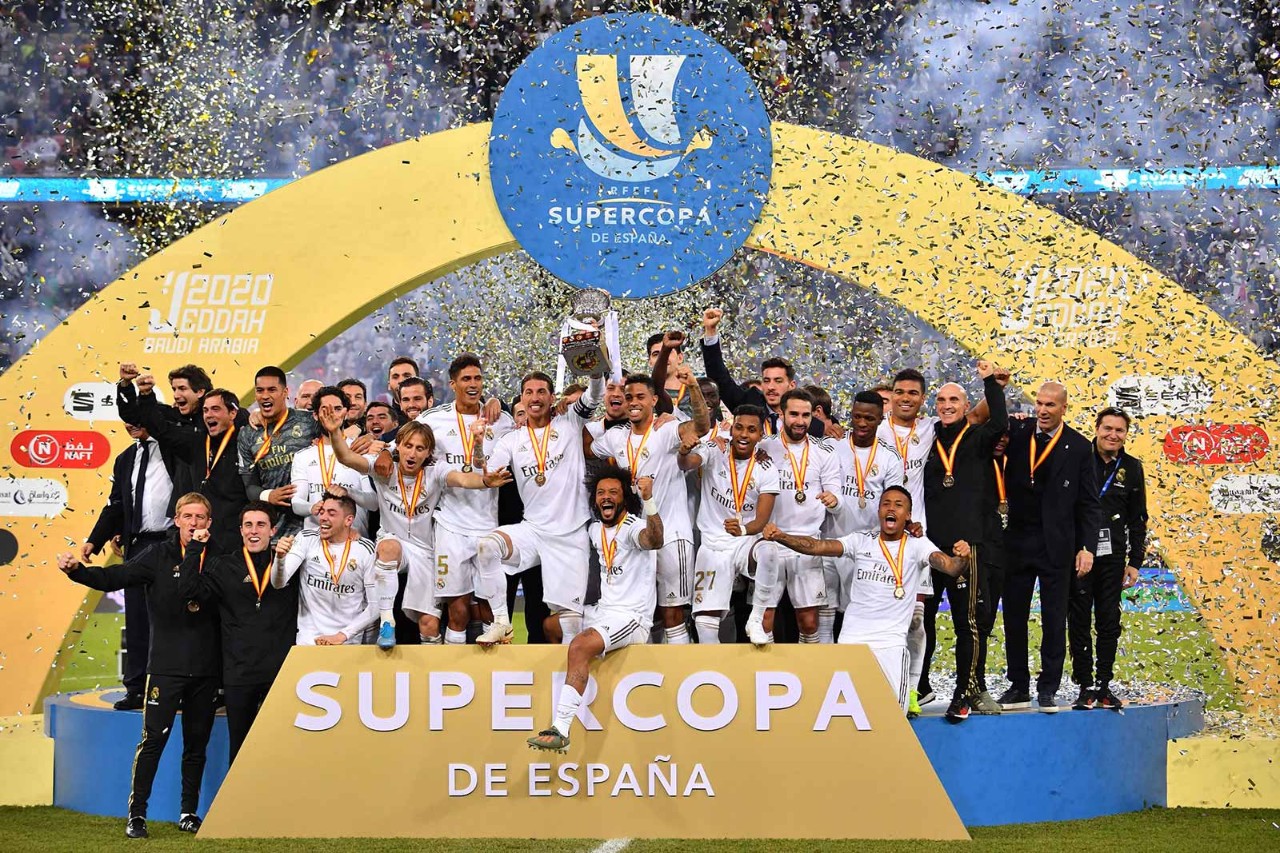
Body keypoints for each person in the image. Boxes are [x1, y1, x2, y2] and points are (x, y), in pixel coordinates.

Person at [56, 493, 220, 838]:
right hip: (165, 666)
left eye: (200, 517)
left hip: (206, 668)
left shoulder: (219, 558)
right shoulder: (158, 556)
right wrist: (77, 572)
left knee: (196, 744)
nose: (194, 523)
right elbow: (114, 578)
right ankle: (137, 815)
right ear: (176, 520)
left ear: (209, 522)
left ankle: (188, 812)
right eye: (188, 516)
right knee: (153, 741)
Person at [762, 486, 970, 714]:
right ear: (879, 511)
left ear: (909, 515)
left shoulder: (918, 545)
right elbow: (817, 546)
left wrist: (962, 558)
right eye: (886, 504)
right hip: (852, 642)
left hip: (891, 646)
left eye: (898, 505)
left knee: (893, 717)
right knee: (845, 717)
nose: (891, 508)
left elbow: (950, 567)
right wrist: (781, 536)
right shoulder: (861, 541)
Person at [322, 410, 509, 647]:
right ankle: (387, 622)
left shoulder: (435, 471)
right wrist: (334, 432)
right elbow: (347, 458)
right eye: (408, 446)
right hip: (394, 539)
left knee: (429, 626)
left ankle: (436, 664)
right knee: (388, 548)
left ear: (429, 452)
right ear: (398, 446)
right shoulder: (383, 469)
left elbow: (462, 479)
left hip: (426, 551)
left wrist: (484, 481)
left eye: (420, 449)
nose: (412, 453)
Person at [527, 467, 663, 753]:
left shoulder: (633, 527)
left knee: (579, 646)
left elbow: (654, 540)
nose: (606, 497)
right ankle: (578, 682)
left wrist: (649, 500)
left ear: (625, 498)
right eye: (601, 493)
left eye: (613, 492)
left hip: (631, 617)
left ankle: (561, 727)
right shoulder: (594, 530)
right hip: (603, 611)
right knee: (551, 626)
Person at [475, 371, 604, 645]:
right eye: (529, 392)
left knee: (570, 623)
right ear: (522, 398)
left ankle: (570, 671)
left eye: (541, 391)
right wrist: (481, 458)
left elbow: (594, 395)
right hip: (533, 531)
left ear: (552, 397)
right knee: (488, 547)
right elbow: (487, 470)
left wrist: (595, 370)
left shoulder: (570, 422)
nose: (535, 398)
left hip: (571, 536)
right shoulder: (511, 441)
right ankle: (501, 623)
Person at [998, 382, 1102, 713]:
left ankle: (1048, 688)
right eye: (1039, 404)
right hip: (1017, 541)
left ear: (1064, 409)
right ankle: (1018, 686)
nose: (1042, 410)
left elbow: (1089, 503)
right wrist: (996, 390)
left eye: (1050, 405)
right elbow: (994, 426)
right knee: (1014, 617)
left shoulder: (1080, 446)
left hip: (1057, 545)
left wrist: (1087, 547)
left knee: (1054, 619)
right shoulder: (1018, 431)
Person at [590, 369, 709, 644]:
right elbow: (585, 446)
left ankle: (680, 668)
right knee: (636, 614)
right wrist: (583, 415)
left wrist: (692, 386)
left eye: (640, 396)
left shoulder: (666, 430)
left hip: (671, 536)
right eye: (629, 396)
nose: (633, 402)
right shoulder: (616, 437)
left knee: (672, 615)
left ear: (654, 400)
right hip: (636, 540)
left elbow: (701, 427)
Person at [920, 360, 1010, 721]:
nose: (947, 405)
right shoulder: (927, 439)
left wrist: (990, 382)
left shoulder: (977, 437)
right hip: (928, 547)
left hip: (966, 546)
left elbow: (1000, 422)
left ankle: (966, 691)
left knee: (968, 623)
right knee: (920, 622)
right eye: (941, 400)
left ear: (965, 405)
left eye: (954, 400)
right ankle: (916, 687)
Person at [178, 501, 298, 762]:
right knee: (241, 750)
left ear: (273, 530)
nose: (254, 531)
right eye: (248, 525)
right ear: (241, 530)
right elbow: (188, 590)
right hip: (239, 673)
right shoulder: (223, 566)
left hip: (281, 672)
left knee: (282, 748)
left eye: (261, 525)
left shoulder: (289, 562)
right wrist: (195, 548)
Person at [420, 354, 516, 644]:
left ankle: (492, 669)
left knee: (489, 610)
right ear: (453, 384)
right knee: (458, 611)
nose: (473, 384)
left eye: (477, 378)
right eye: (466, 379)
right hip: (450, 525)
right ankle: (453, 667)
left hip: (488, 525)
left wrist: (500, 403)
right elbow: (403, 443)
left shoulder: (501, 420)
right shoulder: (433, 420)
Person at [79, 421, 174, 710]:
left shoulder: (176, 449)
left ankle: (173, 688)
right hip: (138, 544)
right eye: (125, 419)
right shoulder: (125, 459)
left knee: (174, 619)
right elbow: (117, 504)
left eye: (135, 416)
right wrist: (95, 540)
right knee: (136, 619)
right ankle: (135, 689)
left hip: (172, 543)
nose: (130, 424)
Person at [678, 404, 780, 644]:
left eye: (751, 430)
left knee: (768, 550)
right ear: (731, 429)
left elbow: (762, 520)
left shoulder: (767, 467)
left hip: (745, 542)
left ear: (760, 435)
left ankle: (755, 619)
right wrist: (683, 452)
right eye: (739, 428)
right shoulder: (716, 449)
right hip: (713, 545)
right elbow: (687, 464)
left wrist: (742, 530)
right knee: (705, 625)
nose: (744, 434)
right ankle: (713, 666)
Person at [1070, 407, 1147, 711]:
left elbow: (1138, 518)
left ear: (1126, 434)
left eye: (1119, 430)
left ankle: (1103, 684)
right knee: (1078, 620)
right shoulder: (1078, 458)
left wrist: (1135, 561)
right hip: (1079, 554)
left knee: (1109, 621)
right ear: (1097, 429)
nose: (1113, 435)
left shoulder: (1132, 467)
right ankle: (1085, 685)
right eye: (1108, 429)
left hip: (1112, 556)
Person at [119, 376, 249, 554]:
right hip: (198, 540)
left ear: (233, 413)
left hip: (234, 541)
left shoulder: (247, 442)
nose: (209, 415)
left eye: (215, 409)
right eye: (205, 411)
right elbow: (160, 428)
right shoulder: (195, 442)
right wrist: (146, 394)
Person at [756, 388, 842, 644]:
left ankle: (809, 668)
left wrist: (834, 500)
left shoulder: (824, 451)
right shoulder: (764, 447)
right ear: (781, 414)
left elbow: (837, 497)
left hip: (807, 542)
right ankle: (765, 667)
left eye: (806, 415)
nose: (800, 421)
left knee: (809, 622)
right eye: (794, 414)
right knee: (764, 620)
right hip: (770, 541)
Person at [822, 390, 904, 645]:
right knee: (823, 613)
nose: (862, 423)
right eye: (857, 416)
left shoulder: (890, 457)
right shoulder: (832, 447)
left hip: (864, 548)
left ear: (880, 419)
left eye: (869, 418)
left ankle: (851, 665)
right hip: (828, 540)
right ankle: (823, 665)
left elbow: (893, 502)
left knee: (853, 614)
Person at [271, 493, 378, 646]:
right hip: (309, 642)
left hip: (347, 643)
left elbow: (376, 605)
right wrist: (280, 558)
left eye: (331, 513)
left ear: (348, 520)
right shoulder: (306, 538)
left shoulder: (365, 550)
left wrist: (343, 635)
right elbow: (278, 583)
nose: (323, 518)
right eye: (322, 512)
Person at [699, 309, 825, 438]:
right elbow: (720, 379)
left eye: (778, 381)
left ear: (792, 385)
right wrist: (711, 330)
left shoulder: (812, 425)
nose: (771, 387)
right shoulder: (750, 402)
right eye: (766, 380)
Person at [237, 366, 319, 538]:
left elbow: (342, 425)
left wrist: (359, 429)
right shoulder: (248, 434)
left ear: (285, 392)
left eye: (272, 390)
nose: (265, 395)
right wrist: (268, 495)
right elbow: (249, 485)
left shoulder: (309, 421)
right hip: (274, 532)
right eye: (260, 390)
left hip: (313, 528)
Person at [290, 386, 375, 537]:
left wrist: (349, 492)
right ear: (315, 415)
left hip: (354, 540)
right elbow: (296, 502)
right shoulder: (303, 456)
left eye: (337, 409)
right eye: (325, 409)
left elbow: (373, 503)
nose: (331, 414)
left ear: (346, 413)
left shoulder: (360, 449)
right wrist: (311, 508)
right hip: (316, 542)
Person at [387, 355, 420, 422]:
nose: (401, 381)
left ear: (419, 382)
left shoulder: (435, 419)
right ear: (389, 385)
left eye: (407, 376)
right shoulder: (385, 423)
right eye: (395, 377)